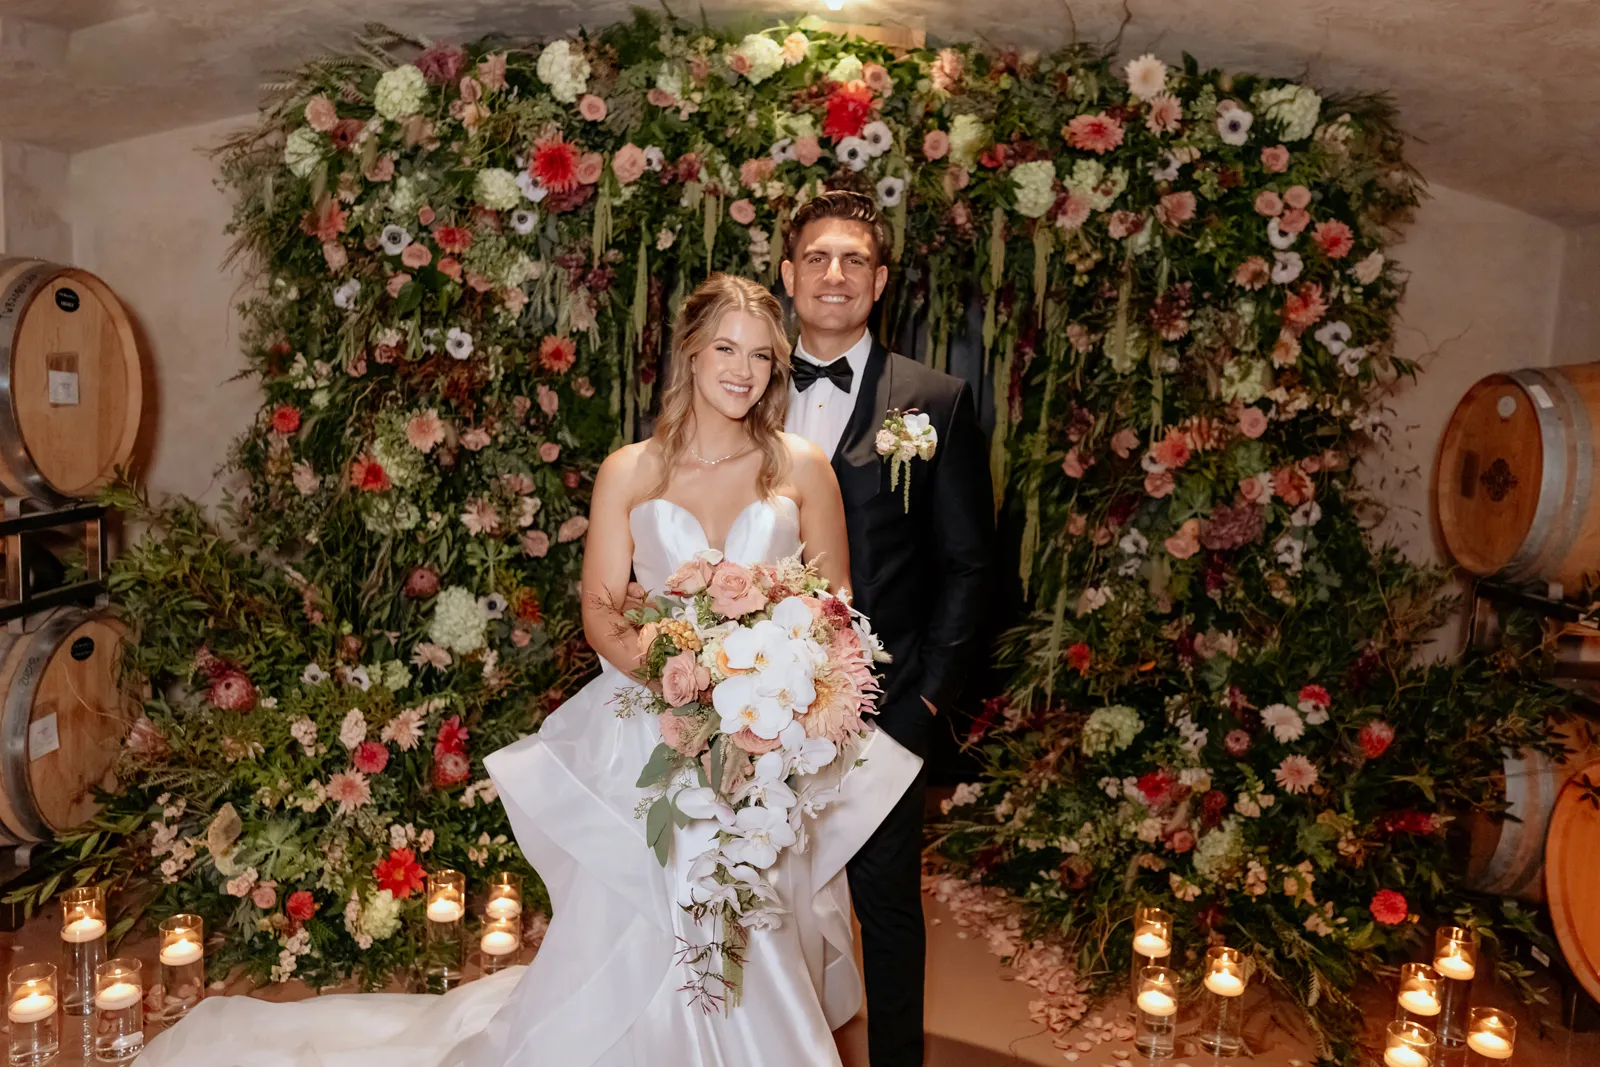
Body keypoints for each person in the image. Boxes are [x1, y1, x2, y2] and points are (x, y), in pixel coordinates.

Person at [134, 273, 921, 1067]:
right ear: (689, 351)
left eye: (760, 354)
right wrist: (689, 674)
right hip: (660, 720)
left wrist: (775, 683)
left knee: (758, 905)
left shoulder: (800, 464)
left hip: (769, 733)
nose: (742, 369)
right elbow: (604, 609)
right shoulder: (633, 470)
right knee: (669, 896)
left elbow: (835, 599)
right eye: (725, 346)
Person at [781, 190, 994, 1067]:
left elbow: (970, 565)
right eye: (819, 258)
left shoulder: (934, 400)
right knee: (758, 900)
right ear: (789, 274)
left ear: (880, 281)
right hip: (752, 706)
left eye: (855, 260)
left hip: (884, 712)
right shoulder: (744, 382)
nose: (836, 275)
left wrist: (926, 704)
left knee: (887, 913)